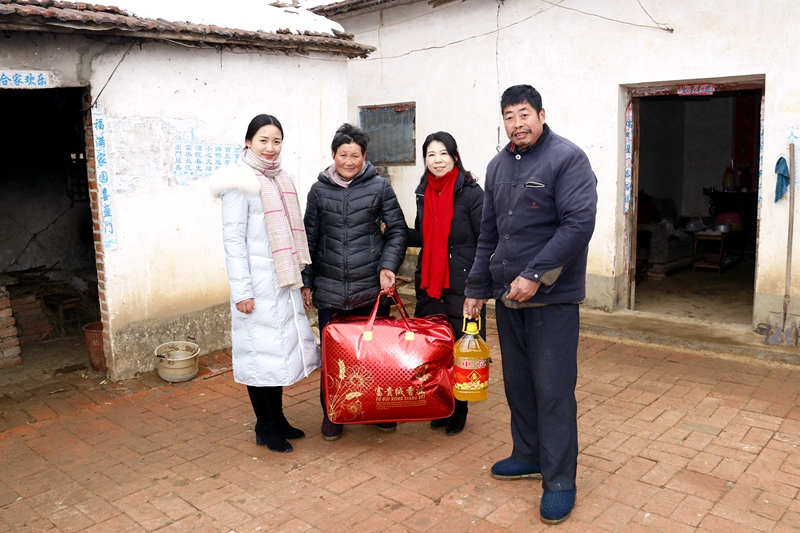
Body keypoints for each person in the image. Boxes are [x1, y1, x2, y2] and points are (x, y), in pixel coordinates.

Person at [463, 85, 597, 524]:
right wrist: (476, 288)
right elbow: (489, 235)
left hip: (552, 300)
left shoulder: (567, 158)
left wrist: (535, 275)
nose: (517, 124)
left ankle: (560, 480)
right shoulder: (497, 165)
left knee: (553, 390)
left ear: (541, 113)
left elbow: (578, 224)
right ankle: (528, 454)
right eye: (509, 116)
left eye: (524, 114)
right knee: (519, 385)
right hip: (507, 298)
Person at [209, 114, 320, 453]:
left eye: (276, 141)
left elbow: (289, 236)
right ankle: (265, 426)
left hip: (282, 283)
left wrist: (301, 281)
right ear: (248, 142)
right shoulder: (239, 183)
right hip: (256, 289)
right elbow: (233, 242)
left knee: (278, 355)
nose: (270, 148)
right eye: (263, 140)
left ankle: (279, 419)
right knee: (259, 358)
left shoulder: (280, 179)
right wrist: (241, 291)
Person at [301, 123, 407, 441]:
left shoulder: (379, 187)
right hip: (330, 289)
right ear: (333, 155)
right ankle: (333, 413)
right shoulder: (318, 191)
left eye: (355, 155)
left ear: (364, 156)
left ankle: (377, 408)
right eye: (343, 154)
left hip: (369, 290)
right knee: (334, 358)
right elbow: (308, 237)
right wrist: (306, 282)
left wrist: (387, 266)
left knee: (374, 355)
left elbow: (398, 230)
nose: (349, 161)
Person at [406, 131, 485, 436]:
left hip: (462, 284)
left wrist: (478, 288)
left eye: (443, 154)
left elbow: (484, 241)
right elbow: (425, 237)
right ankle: (443, 404)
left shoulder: (472, 194)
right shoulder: (423, 192)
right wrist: (390, 229)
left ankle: (459, 409)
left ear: (454, 156)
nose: (437, 160)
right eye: (430, 155)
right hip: (430, 284)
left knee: (460, 350)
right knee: (436, 349)